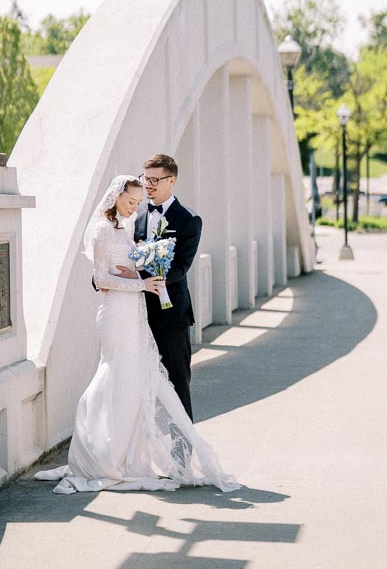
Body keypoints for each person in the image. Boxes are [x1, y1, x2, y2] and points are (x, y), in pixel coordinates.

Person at [35, 175, 238, 494]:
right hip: (116, 311)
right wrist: (142, 284)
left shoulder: (131, 226)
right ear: (115, 197)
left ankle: (128, 456)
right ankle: (99, 454)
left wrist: (147, 272)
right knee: (113, 374)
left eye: (137, 203)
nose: (134, 208)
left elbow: (148, 264)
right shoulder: (103, 229)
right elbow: (100, 278)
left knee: (134, 381)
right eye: (130, 202)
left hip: (138, 313)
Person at [133, 153, 201, 419]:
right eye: (145, 178)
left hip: (171, 316)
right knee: (140, 384)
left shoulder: (188, 220)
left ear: (171, 180)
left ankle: (181, 451)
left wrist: (151, 277)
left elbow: (181, 266)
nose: (147, 185)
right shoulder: (135, 215)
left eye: (154, 180)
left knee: (176, 384)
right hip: (136, 313)